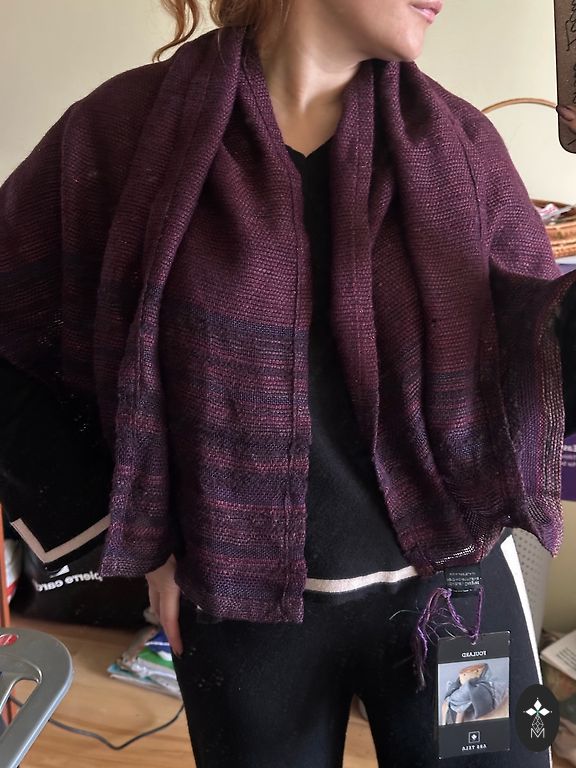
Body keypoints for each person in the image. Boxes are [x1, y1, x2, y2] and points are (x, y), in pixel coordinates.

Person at [1, 1, 576, 766]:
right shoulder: (125, 136)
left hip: (457, 600)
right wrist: (133, 537)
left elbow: (537, 374)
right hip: (240, 615)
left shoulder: (464, 149)